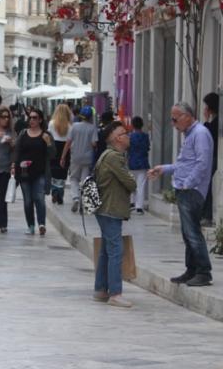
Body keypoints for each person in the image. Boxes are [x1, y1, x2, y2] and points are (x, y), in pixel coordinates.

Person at [148, 102, 214, 287]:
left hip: (192, 191)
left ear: (187, 116)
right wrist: (164, 169)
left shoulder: (200, 134)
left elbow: (202, 163)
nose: (173, 123)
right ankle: (191, 270)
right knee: (187, 233)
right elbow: (184, 164)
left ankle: (203, 271)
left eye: (175, 119)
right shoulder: (191, 135)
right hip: (186, 189)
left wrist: (187, 184)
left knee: (192, 232)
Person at [93, 121, 137, 308]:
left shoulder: (107, 155)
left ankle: (101, 289)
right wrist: (132, 178)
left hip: (106, 208)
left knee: (106, 250)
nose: (128, 136)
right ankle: (115, 293)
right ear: (117, 139)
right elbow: (131, 183)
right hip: (111, 209)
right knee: (116, 251)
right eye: (125, 133)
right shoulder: (114, 157)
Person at [13, 107, 53, 235]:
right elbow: (17, 151)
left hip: (40, 172)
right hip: (24, 172)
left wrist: (48, 143)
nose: (31, 120)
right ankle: (30, 225)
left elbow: (53, 155)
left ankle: (41, 224)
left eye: (35, 118)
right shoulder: (23, 133)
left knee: (39, 198)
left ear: (40, 120)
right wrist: (13, 165)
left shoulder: (46, 135)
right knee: (28, 201)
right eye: (30, 117)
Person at [61, 105, 98, 213]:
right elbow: (94, 143)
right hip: (87, 158)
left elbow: (68, 142)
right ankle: (83, 201)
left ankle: (76, 198)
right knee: (84, 180)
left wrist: (63, 157)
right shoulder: (92, 128)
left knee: (74, 178)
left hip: (75, 156)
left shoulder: (75, 126)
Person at [47, 104, 73, 204]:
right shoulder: (70, 126)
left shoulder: (51, 123)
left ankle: (54, 190)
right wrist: (64, 156)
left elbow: (49, 137)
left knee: (53, 172)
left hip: (54, 147)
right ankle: (60, 193)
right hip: (65, 149)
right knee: (62, 173)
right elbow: (69, 142)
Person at [202, 92, 220, 226]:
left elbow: (207, 135)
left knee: (206, 185)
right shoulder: (215, 121)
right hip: (211, 157)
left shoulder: (215, 122)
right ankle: (205, 214)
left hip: (213, 157)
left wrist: (206, 120)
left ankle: (207, 215)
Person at [128, 116, 151, 215]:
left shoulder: (130, 136)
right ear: (142, 125)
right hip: (143, 163)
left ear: (132, 125)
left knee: (131, 183)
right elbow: (147, 148)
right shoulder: (145, 136)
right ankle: (139, 207)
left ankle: (131, 202)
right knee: (141, 185)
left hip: (132, 163)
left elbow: (127, 148)